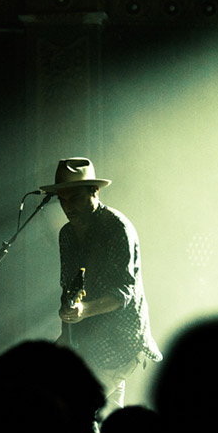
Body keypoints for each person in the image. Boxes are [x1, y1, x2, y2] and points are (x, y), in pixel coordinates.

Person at [40, 157, 162, 419]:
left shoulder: (117, 228)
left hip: (121, 341)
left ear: (94, 191)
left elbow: (124, 292)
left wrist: (84, 310)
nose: (68, 206)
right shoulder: (66, 234)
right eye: (62, 200)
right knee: (103, 416)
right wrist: (67, 325)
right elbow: (68, 287)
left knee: (73, 408)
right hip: (90, 341)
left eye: (75, 198)